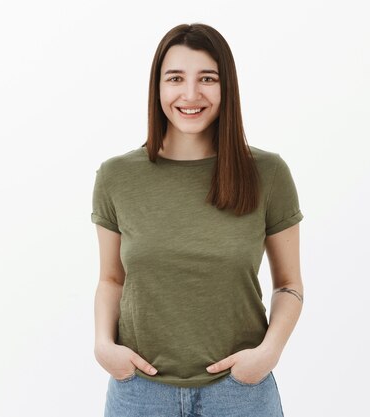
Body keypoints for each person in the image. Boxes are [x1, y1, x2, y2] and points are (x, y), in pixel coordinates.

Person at [91, 22, 304, 417]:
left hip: (240, 394)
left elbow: (289, 285)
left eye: (207, 78)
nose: (190, 94)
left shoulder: (268, 174)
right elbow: (111, 279)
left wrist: (268, 354)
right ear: (158, 87)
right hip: (139, 393)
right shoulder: (116, 177)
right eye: (175, 78)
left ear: (227, 88)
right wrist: (104, 345)